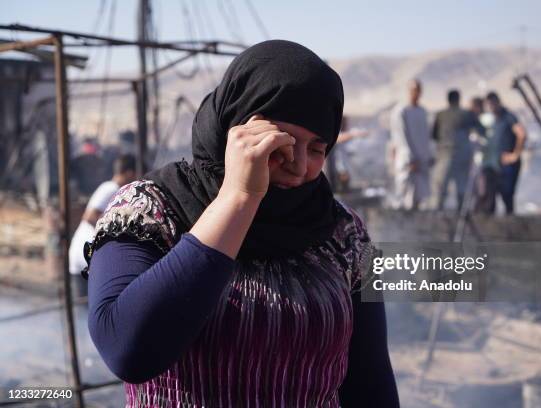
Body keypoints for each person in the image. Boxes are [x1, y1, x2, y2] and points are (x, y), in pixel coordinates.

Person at [82, 40, 399, 407]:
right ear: (235, 128)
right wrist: (238, 197)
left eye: (316, 148)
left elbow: (371, 377)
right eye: (281, 140)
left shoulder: (346, 233)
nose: (298, 165)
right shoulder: (148, 210)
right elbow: (127, 350)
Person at [68, 154, 136, 296]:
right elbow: (90, 217)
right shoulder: (111, 188)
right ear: (130, 173)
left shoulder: (112, 189)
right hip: (86, 255)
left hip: (87, 257)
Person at [431, 89, 481, 211]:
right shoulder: (466, 114)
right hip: (460, 157)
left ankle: (439, 215)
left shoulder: (441, 115)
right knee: (461, 190)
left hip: (445, 157)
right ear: (458, 99)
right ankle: (460, 214)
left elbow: (434, 135)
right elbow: (480, 129)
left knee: (441, 190)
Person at [389, 79, 433, 210]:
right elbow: (400, 136)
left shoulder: (423, 112)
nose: (416, 93)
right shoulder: (401, 111)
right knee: (403, 193)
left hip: (421, 160)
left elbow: (426, 136)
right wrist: (410, 159)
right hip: (407, 161)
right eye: (413, 90)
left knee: (419, 195)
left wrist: (428, 155)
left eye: (418, 90)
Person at [485, 91, 527, 214]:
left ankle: (510, 224)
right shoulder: (494, 120)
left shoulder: (508, 117)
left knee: (507, 195)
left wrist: (515, 154)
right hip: (496, 165)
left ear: (498, 103)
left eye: (493, 104)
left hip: (508, 165)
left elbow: (521, 134)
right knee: (491, 196)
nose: (491, 108)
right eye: (489, 105)